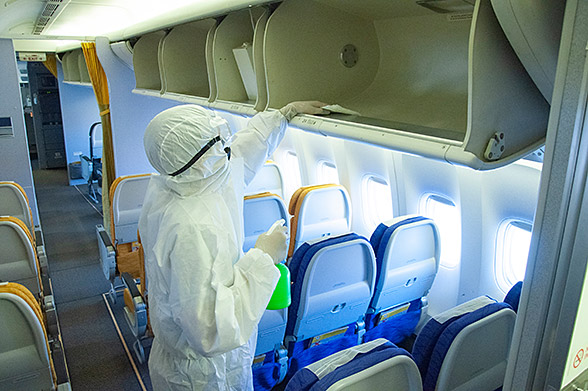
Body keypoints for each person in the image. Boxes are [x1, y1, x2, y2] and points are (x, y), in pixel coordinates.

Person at [138, 101, 328, 390]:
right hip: (201, 376)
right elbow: (210, 329)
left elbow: (243, 151)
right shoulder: (190, 227)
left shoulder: (186, 182)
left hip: (210, 362)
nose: (227, 148)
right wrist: (264, 257)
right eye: (219, 143)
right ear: (204, 157)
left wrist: (280, 115)